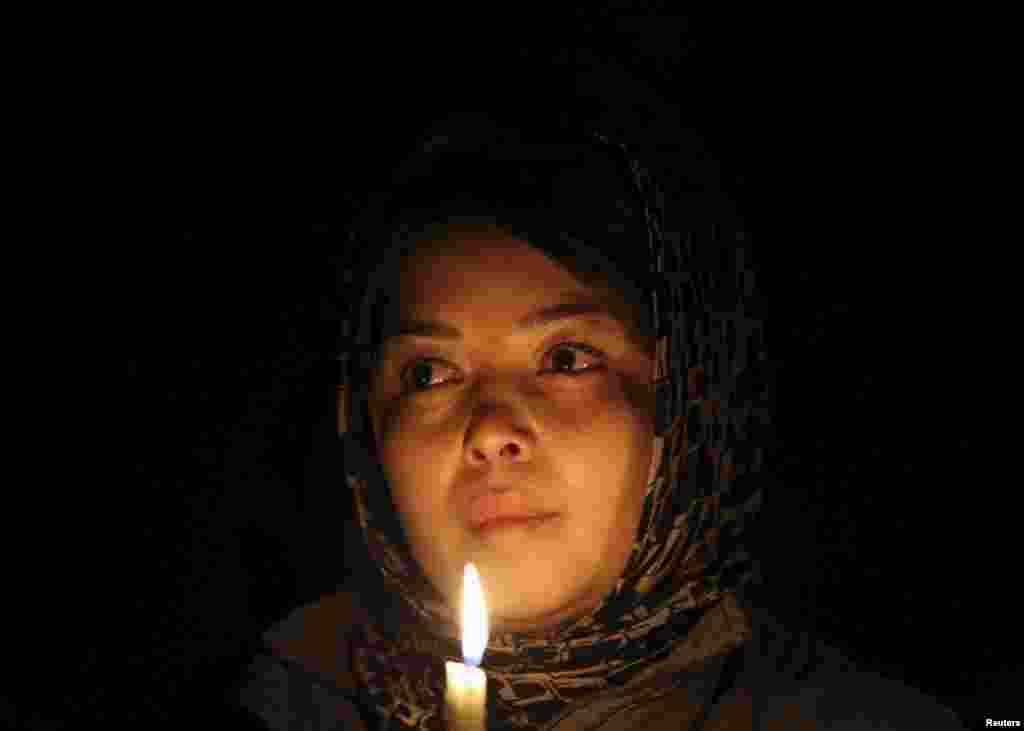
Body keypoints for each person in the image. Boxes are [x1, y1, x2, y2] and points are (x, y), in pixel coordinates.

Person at [230, 111, 967, 729]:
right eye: (428, 374)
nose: (490, 429)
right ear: (364, 426)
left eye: (567, 358)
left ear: (686, 406)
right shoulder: (280, 708)